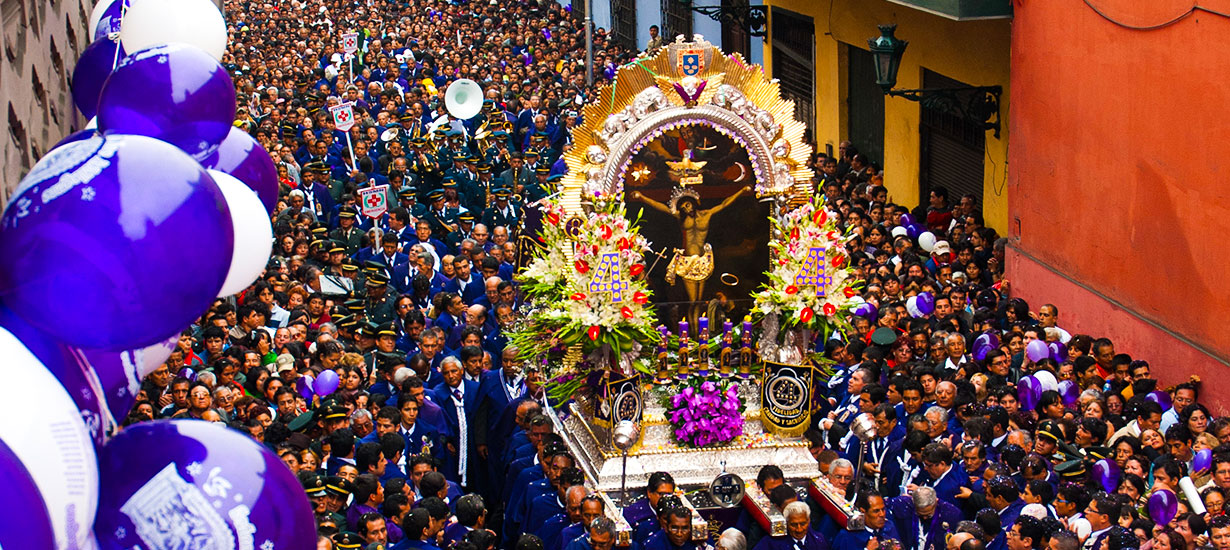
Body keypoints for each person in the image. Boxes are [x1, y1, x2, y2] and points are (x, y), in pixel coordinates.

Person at [629, 186, 752, 324]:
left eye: (687, 205)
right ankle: (691, 329)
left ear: (693, 203)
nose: (686, 210)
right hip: (688, 261)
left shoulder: (706, 214)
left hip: (703, 260)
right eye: (683, 208)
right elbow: (662, 207)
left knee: (699, 301)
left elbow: (724, 204)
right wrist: (642, 197)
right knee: (692, 301)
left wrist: (741, 191)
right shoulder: (681, 218)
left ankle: (697, 330)